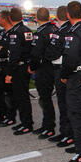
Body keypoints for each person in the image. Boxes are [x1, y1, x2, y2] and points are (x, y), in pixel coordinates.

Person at [60, 1, 81, 162]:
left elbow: (70, 58)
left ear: (68, 14)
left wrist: (64, 74)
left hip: (76, 77)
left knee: (76, 114)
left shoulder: (74, 32)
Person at [43, 6, 74, 147]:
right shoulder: (67, 29)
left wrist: (46, 54)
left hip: (62, 69)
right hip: (64, 69)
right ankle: (65, 132)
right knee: (64, 103)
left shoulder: (63, 31)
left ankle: (68, 133)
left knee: (65, 104)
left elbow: (52, 52)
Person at [28, 8, 58, 139]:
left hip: (44, 69)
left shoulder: (40, 32)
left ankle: (49, 127)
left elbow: (35, 53)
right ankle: (48, 125)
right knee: (49, 99)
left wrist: (32, 67)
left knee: (45, 99)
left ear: (37, 18)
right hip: (55, 68)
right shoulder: (55, 29)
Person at [5, 8, 34, 135]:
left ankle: (26, 124)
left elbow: (14, 55)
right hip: (25, 67)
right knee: (23, 96)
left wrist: (10, 73)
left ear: (10, 19)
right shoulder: (27, 30)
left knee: (21, 97)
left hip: (18, 68)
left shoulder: (15, 32)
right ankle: (25, 122)